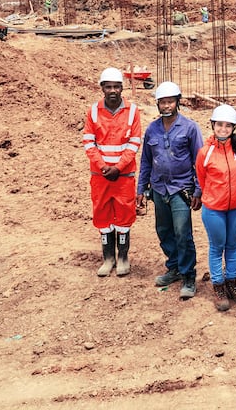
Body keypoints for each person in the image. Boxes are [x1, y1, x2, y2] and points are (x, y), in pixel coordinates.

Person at [138, 81, 204, 298]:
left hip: (181, 190)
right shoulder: (152, 129)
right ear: (158, 104)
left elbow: (199, 161)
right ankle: (173, 267)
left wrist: (197, 190)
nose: (166, 106)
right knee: (164, 231)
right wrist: (141, 188)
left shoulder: (190, 128)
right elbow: (146, 161)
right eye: (162, 102)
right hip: (159, 188)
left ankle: (188, 276)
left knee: (182, 233)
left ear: (177, 102)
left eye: (170, 102)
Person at [83, 67, 143, 278]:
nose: (112, 91)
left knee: (124, 215)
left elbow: (134, 143)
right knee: (102, 214)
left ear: (121, 88)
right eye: (108, 87)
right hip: (100, 176)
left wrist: (118, 167)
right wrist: (103, 167)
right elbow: (89, 143)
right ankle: (108, 258)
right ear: (102, 88)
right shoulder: (92, 112)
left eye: (116, 87)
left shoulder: (133, 112)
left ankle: (123, 257)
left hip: (123, 176)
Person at [195, 104, 236, 312]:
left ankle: (232, 283)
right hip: (214, 209)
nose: (223, 129)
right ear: (212, 125)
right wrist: (211, 195)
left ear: (233, 128)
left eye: (228, 126)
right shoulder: (205, 152)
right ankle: (218, 286)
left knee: (233, 245)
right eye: (220, 125)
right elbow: (201, 177)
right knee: (217, 246)